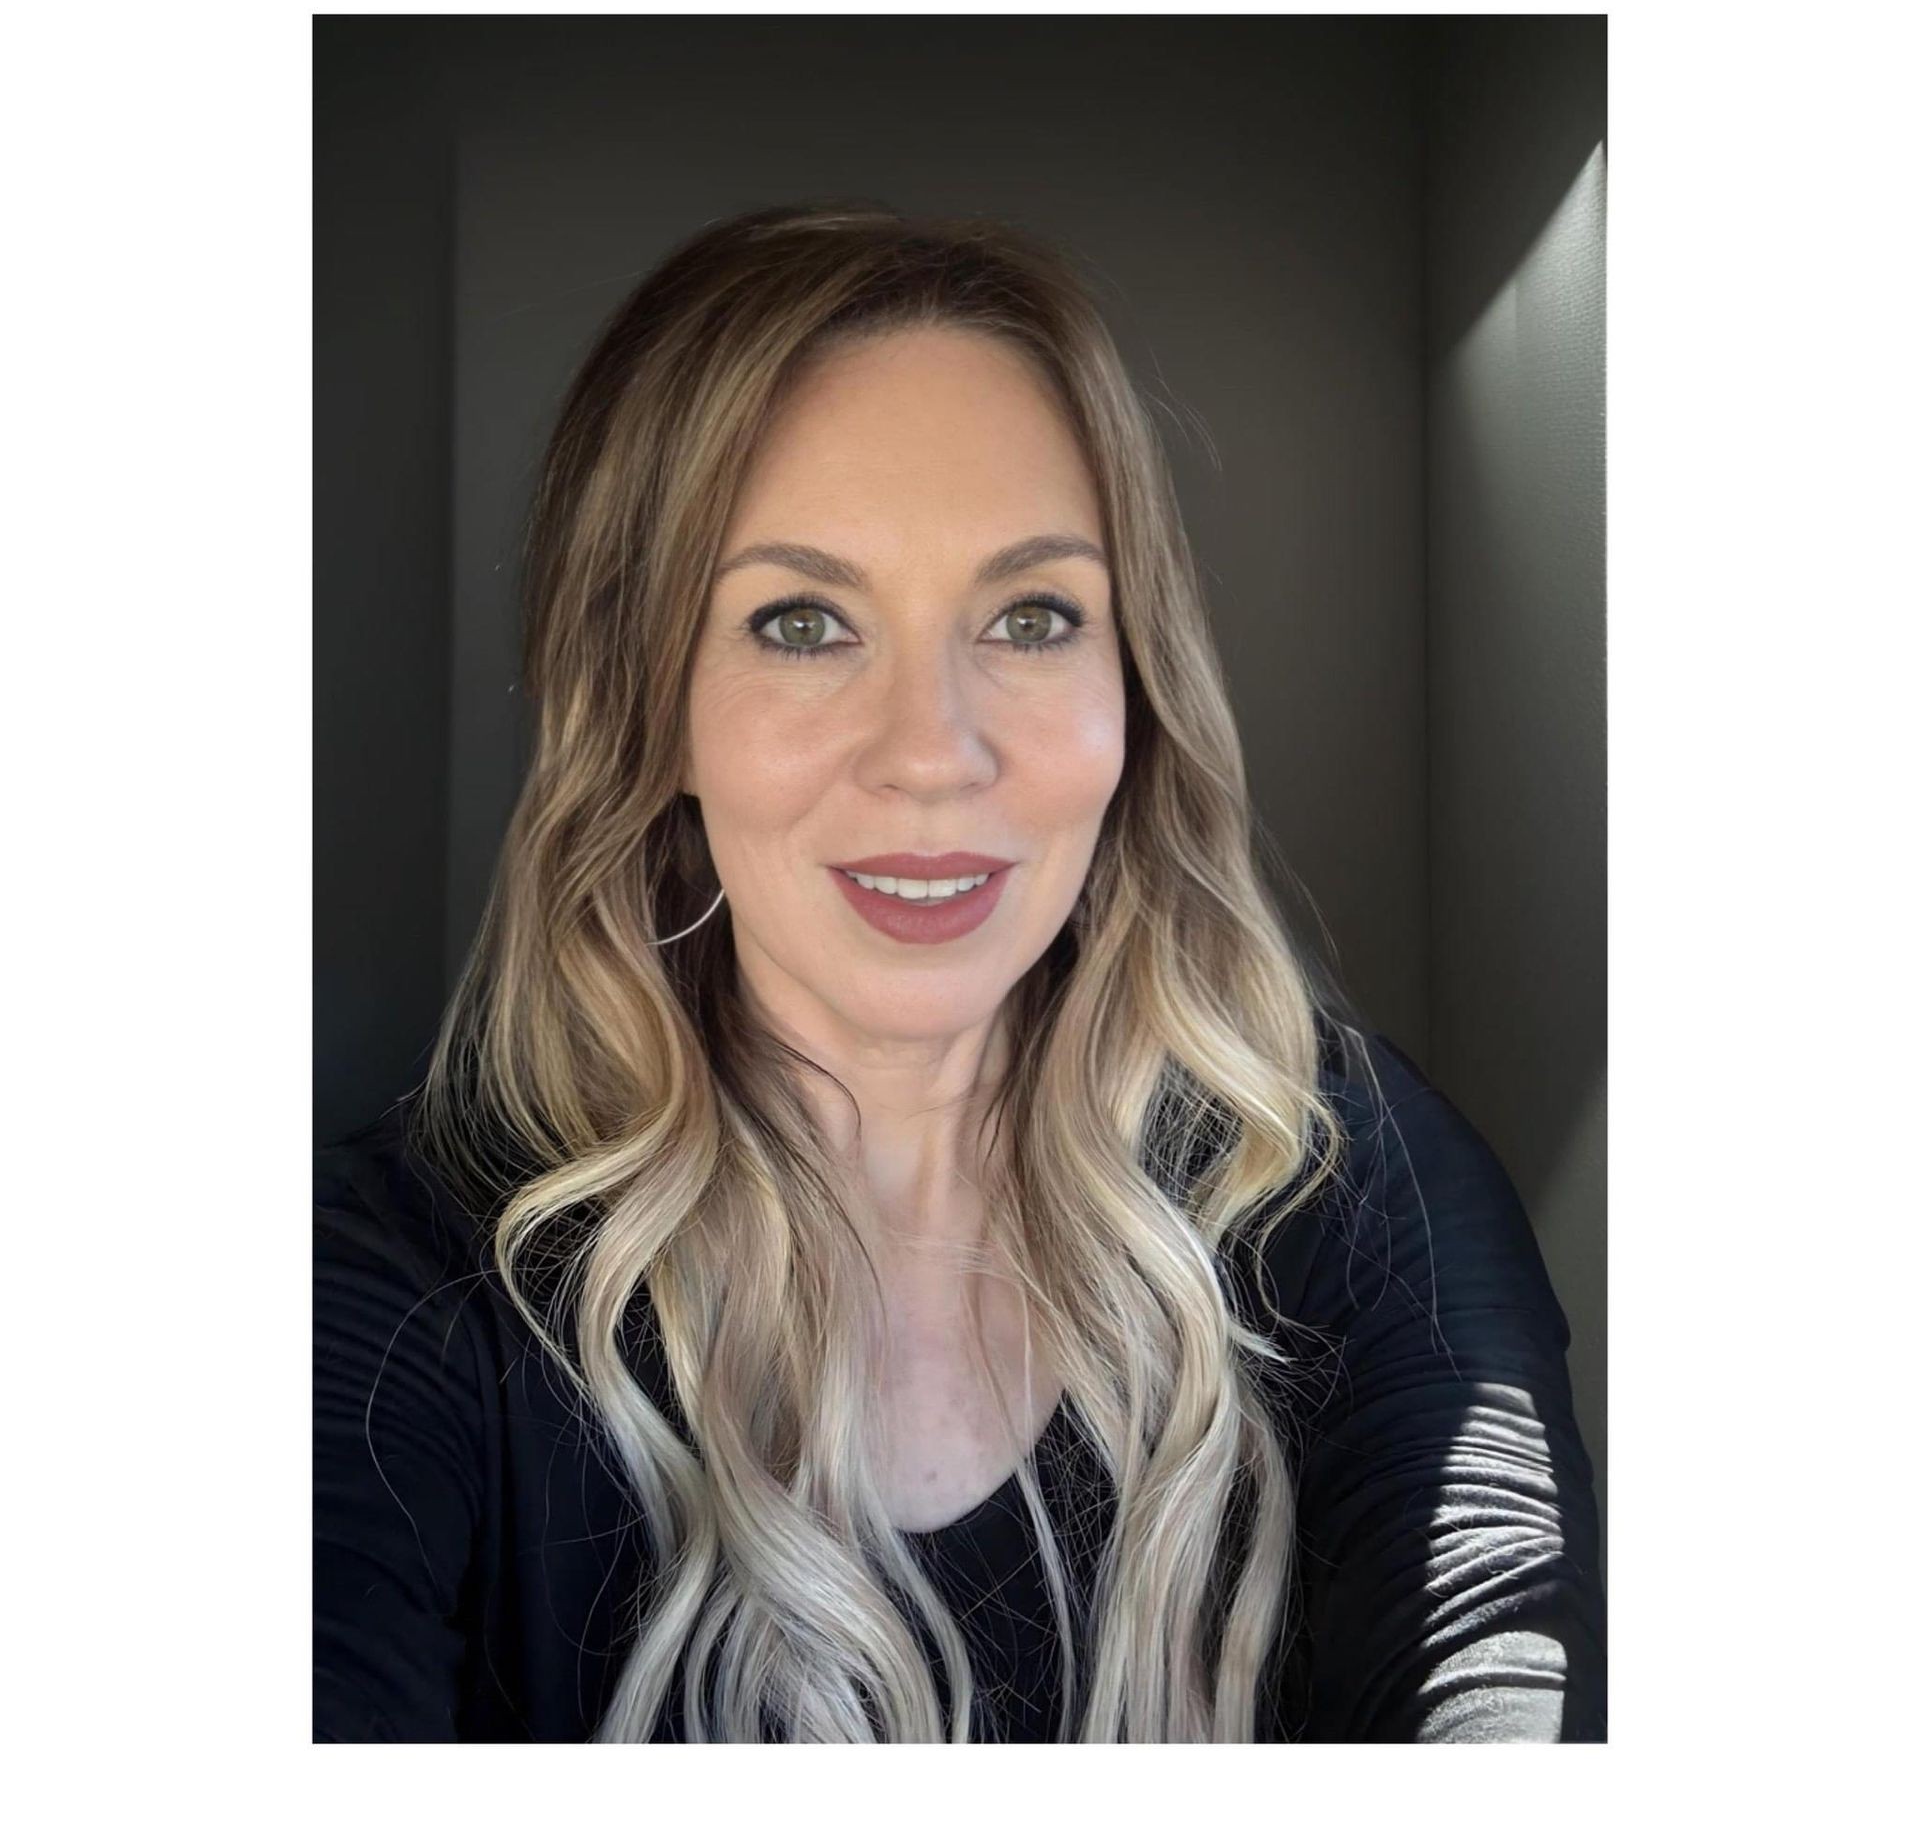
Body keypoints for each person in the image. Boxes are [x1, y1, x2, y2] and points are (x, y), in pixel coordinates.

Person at [314, 202, 1606, 1742]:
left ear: (1134, 687)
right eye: (802, 622)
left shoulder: (1339, 1181)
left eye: (1033, 615)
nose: (935, 751)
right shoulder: (392, 1292)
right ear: (651, 702)